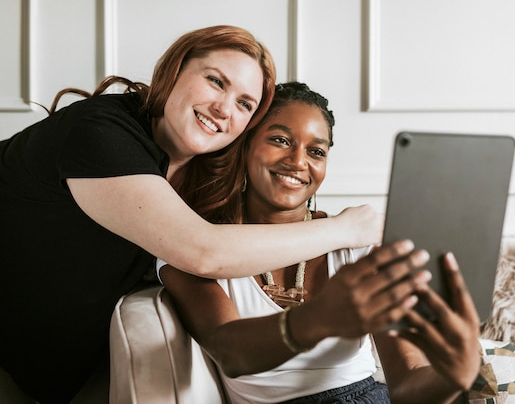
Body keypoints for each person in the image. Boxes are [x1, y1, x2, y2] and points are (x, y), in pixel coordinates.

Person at [0, 27, 382, 404]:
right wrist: (346, 228)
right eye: (216, 81)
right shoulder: (98, 132)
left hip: (61, 370)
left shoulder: (202, 174)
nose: (223, 108)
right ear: (174, 70)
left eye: (244, 104)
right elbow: (202, 252)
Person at [159, 82, 481, 404]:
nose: (298, 162)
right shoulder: (199, 249)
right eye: (281, 140)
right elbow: (231, 352)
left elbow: (407, 385)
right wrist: (322, 316)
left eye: (316, 152)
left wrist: (452, 377)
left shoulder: (358, 246)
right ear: (244, 145)